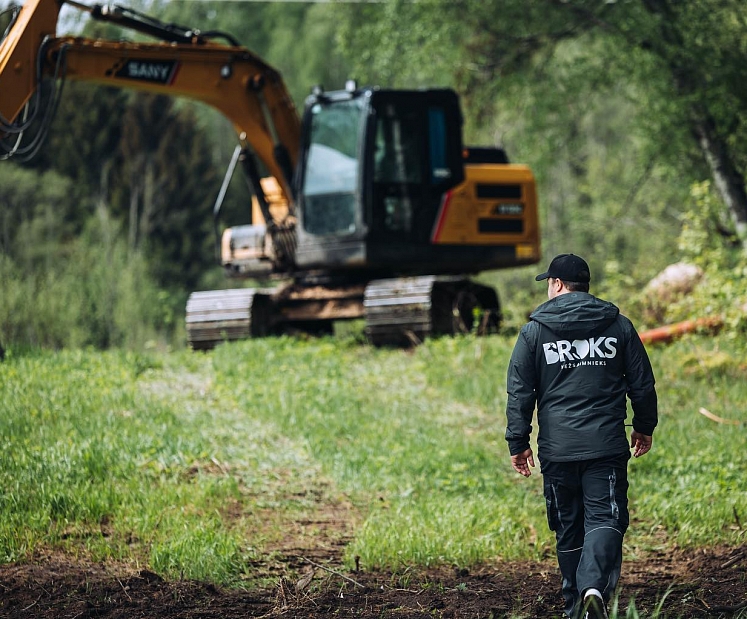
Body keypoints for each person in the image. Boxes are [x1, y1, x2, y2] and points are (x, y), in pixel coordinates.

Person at [504, 253, 658, 619]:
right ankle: (592, 593)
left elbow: (520, 392)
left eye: (548, 283)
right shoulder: (619, 326)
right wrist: (644, 425)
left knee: (568, 527)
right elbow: (642, 383)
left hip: (557, 451)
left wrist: (518, 441)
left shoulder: (533, 333)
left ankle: (578, 604)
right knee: (606, 517)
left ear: (556, 284)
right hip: (605, 445)